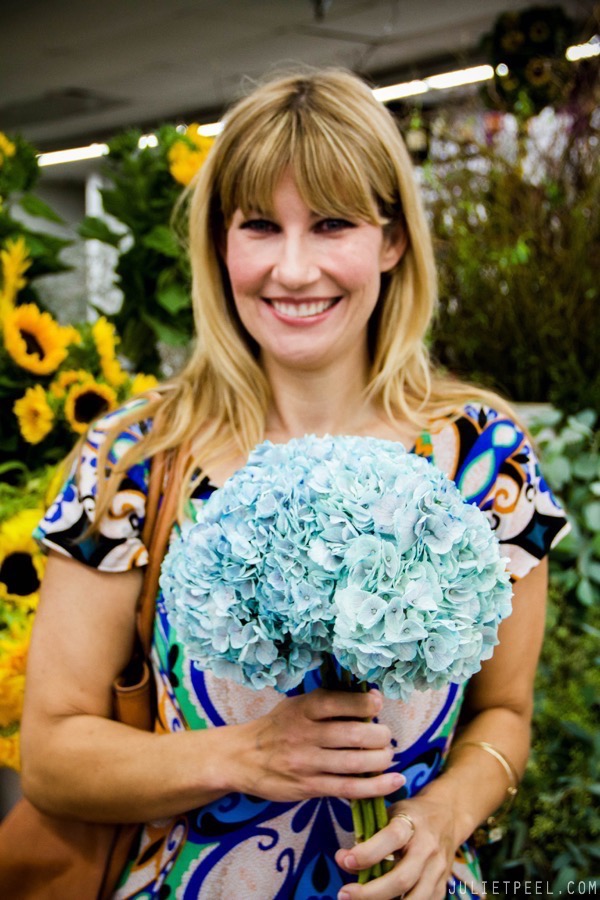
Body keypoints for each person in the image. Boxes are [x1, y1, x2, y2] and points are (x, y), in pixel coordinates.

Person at [22, 69, 569, 900]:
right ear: (219, 244)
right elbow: (53, 758)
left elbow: (505, 714)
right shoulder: (133, 459)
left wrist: (450, 811)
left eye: (331, 224)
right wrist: (238, 755)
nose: (293, 267)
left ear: (391, 241)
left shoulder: (484, 459)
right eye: (258, 227)